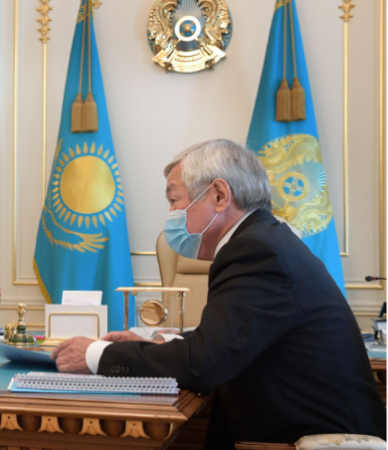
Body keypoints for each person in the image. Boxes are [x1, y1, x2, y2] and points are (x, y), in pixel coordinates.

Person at [51, 139, 386, 448]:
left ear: (219, 196)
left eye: (174, 200)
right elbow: (231, 339)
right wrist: (159, 343)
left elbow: (204, 363)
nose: (171, 214)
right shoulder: (266, 239)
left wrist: (95, 354)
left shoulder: (257, 250)